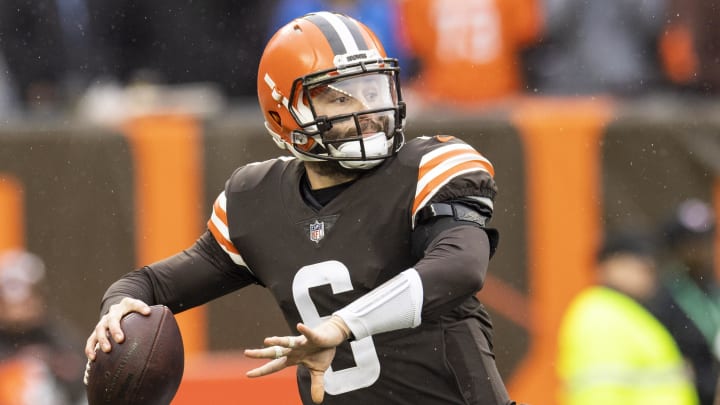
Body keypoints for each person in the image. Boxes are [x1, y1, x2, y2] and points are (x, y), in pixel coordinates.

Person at [84, 11, 514, 405]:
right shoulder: (256, 200)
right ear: (283, 112)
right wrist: (118, 307)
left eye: (372, 89)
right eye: (341, 99)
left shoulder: (430, 166)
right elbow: (150, 286)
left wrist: (342, 325)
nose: (367, 111)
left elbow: (460, 267)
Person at [556, 231, 698, 404]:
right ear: (608, 267)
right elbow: (600, 394)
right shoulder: (602, 316)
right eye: (639, 266)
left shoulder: (621, 312)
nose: (648, 272)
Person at [647, 199, 720, 405]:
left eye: (705, 240)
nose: (700, 250)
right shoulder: (663, 299)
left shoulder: (714, 290)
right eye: (690, 243)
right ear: (676, 248)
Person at [0, 249, 87, 405]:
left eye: (28, 297)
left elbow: (80, 376)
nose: (19, 308)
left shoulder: (57, 335)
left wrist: (53, 364)